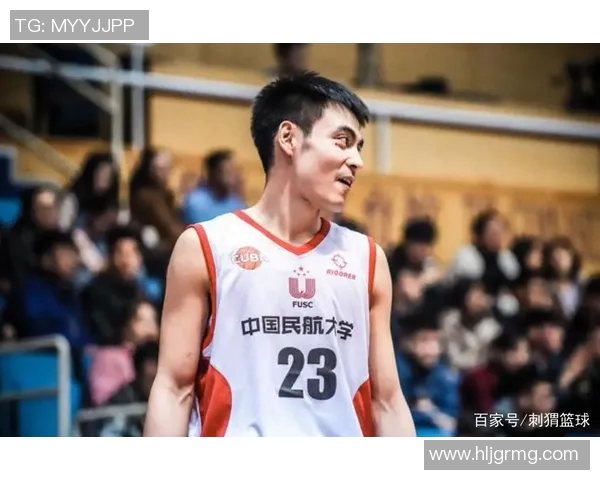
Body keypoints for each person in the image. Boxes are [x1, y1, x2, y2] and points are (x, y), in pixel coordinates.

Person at [144, 71, 416, 437]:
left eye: (359, 148)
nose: (356, 161)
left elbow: (387, 401)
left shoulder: (367, 258)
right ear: (289, 138)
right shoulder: (206, 245)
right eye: (342, 142)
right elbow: (174, 389)